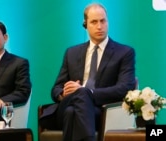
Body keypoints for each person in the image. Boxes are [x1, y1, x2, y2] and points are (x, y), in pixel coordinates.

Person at [40, 3, 136, 141]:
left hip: (100, 111)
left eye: (103, 21)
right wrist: (63, 93)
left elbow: (125, 88)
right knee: (75, 102)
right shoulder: (72, 52)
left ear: (108, 22)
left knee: (72, 112)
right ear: (85, 24)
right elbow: (56, 89)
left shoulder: (124, 52)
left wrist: (87, 92)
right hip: (67, 105)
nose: (99, 26)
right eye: (94, 22)